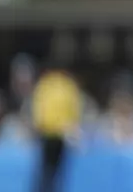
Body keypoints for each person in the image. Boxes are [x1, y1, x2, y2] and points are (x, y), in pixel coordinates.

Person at [32, 61, 82, 192]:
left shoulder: (45, 84)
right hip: (61, 134)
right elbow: (74, 110)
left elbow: (38, 110)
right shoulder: (68, 85)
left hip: (48, 133)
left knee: (46, 171)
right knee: (56, 172)